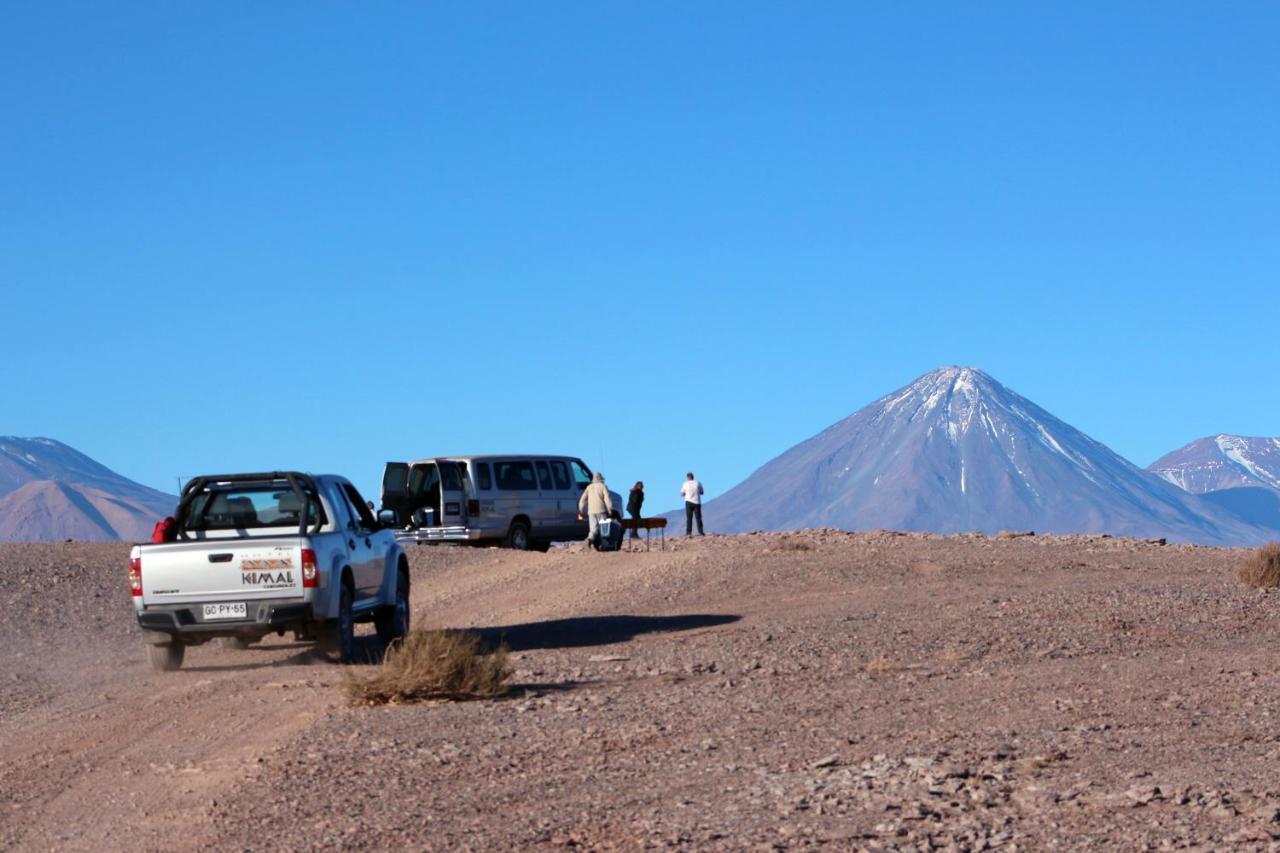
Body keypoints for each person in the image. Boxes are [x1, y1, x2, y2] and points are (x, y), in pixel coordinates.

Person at [577, 471, 614, 550]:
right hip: (601, 511)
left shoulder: (589, 487)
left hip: (591, 512)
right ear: (601, 478)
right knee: (604, 528)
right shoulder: (603, 486)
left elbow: (582, 500)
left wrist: (581, 510)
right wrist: (610, 509)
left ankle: (590, 539)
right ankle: (603, 545)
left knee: (593, 528)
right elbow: (607, 499)